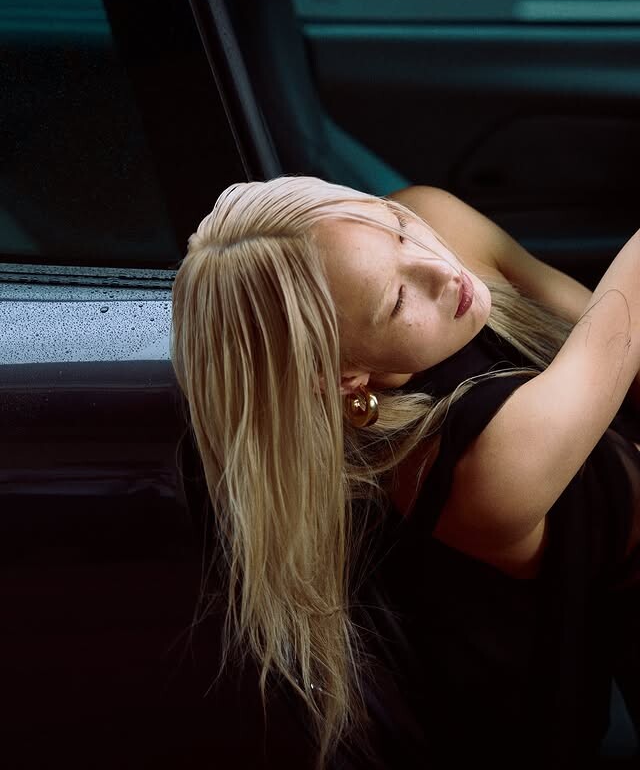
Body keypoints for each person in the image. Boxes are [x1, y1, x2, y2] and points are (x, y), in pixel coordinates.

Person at [170, 175, 640, 768]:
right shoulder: (476, 467)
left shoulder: (430, 218)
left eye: (395, 230)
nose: (439, 268)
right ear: (344, 378)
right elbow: (625, 318)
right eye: (396, 301)